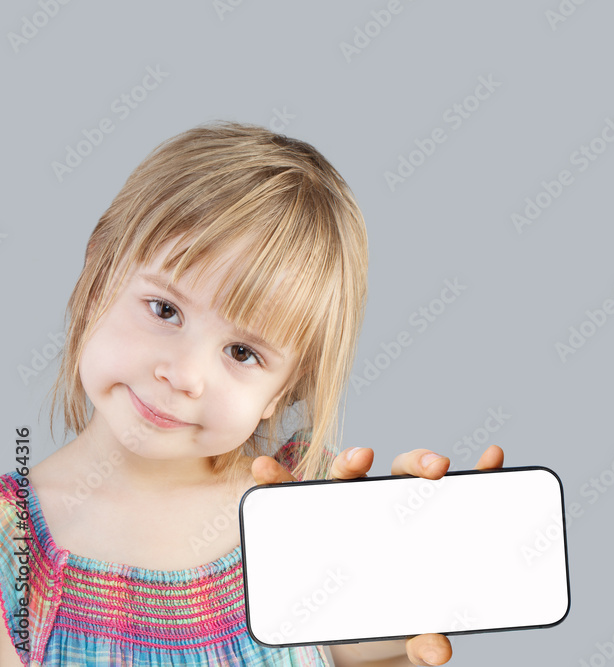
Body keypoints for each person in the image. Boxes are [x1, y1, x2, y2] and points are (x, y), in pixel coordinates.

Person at [0, 121, 504, 666]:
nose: (185, 375)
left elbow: (377, 653)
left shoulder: (302, 512)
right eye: (164, 310)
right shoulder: (15, 549)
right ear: (97, 275)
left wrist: (409, 614)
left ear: (281, 392)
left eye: (242, 353)